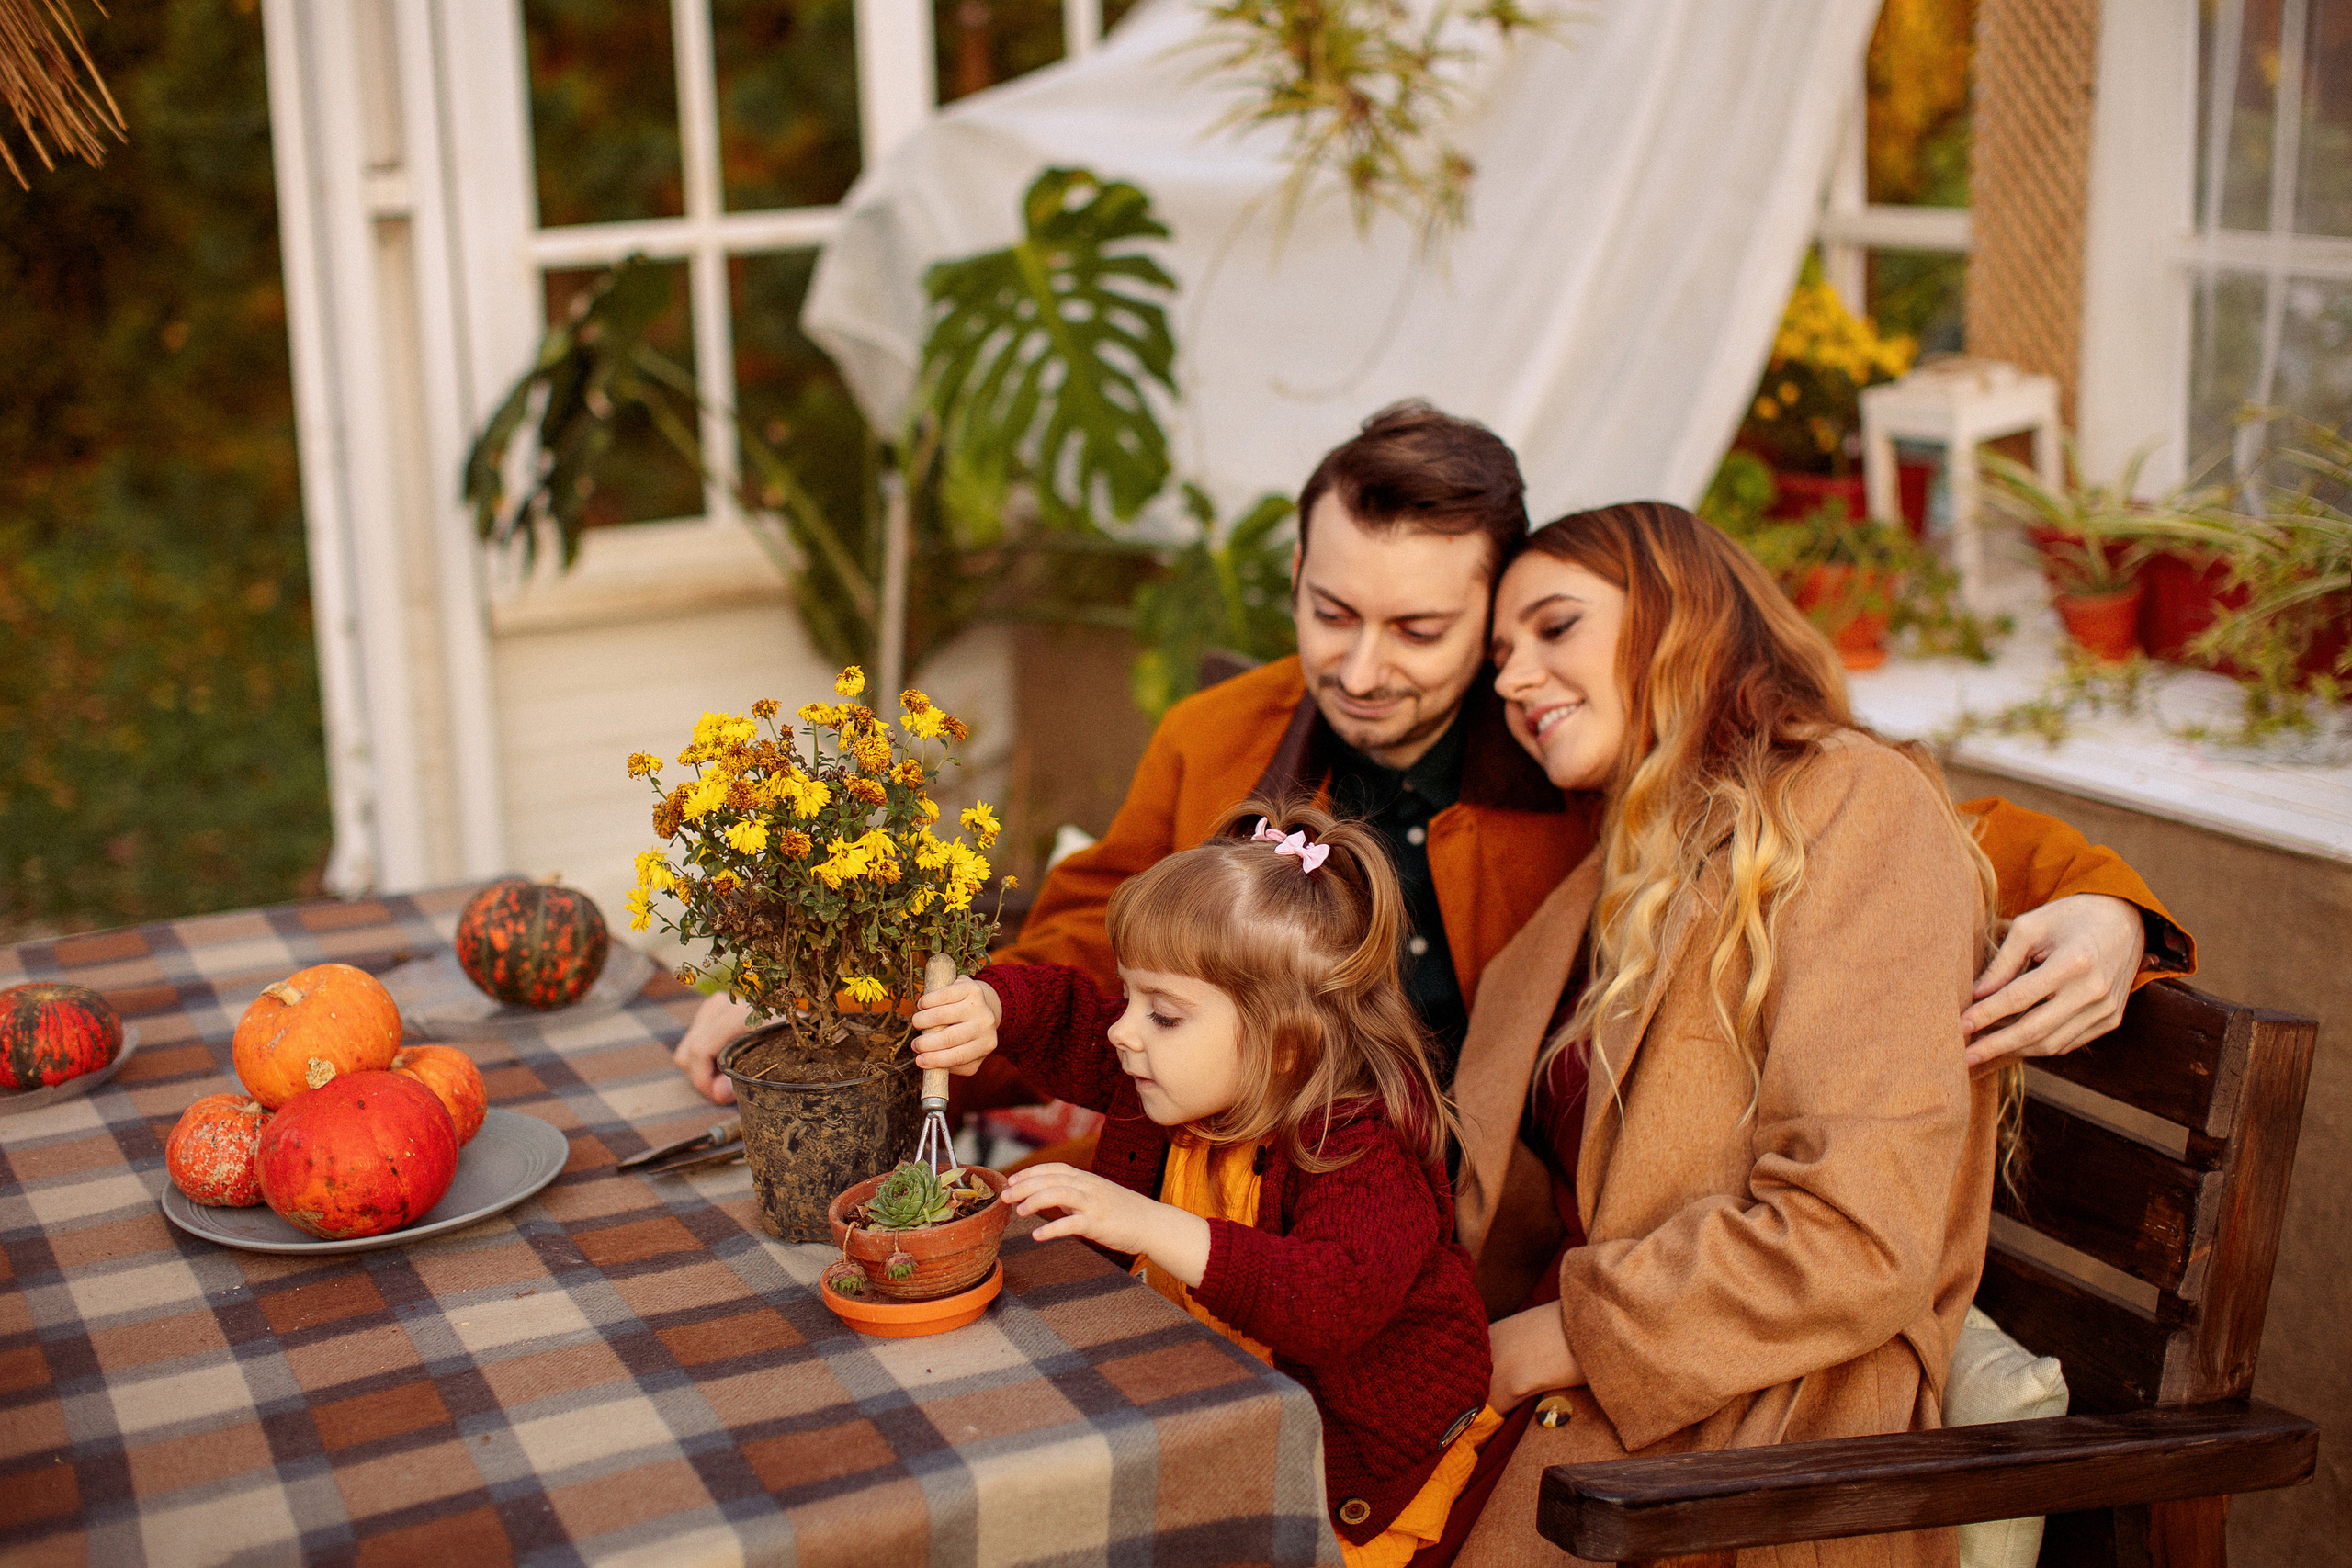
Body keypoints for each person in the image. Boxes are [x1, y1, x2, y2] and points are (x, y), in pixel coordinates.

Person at [673, 402, 2192, 1104]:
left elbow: (1880, 805)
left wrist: (2113, 906)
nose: (1360, 665)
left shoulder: (1577, 753)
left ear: (1497, 609)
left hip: (1482, 1247)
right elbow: (1076, 933)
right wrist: (835, 993)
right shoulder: (1221, 735)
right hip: (1253, 1198)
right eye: (1332, 612)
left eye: (1419, 629)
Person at [1442, 502, 2020, 1567]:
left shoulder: (1852, 806)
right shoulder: (1614, 872)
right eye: (1500, 657)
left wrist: (1557, 1340)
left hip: (1749, 1458)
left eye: (1554, 628)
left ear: (1683, 614)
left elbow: (1856, 1234)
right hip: (1561, 1420)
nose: (1515, 679)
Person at [911, 800, 1500, 1566]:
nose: (1126, 1030)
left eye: (1165, 1014)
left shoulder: (1360, 1145)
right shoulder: (1173, 1080)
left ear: (1285, 1043)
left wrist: (1146, 1223)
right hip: (1207, 1407)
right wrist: (994, 1005)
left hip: (1347, 1467)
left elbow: (1331, 1303)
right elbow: (1071, 1017)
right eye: (1133, 996)